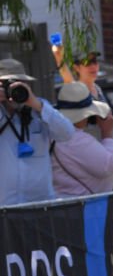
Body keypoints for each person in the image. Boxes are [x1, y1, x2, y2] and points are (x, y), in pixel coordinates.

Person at [0, 58, 74, 206]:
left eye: (19, 83)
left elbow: (67, 133)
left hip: (40, 206)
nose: (13, 89)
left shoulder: (39, 108)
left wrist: (36, 104)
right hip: (4, 207)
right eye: (8, 84)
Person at [51, 82, 113, 197]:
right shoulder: (76, 139)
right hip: (82, 208)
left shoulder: (54, 134)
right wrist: (107, 133)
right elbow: (108, 166)